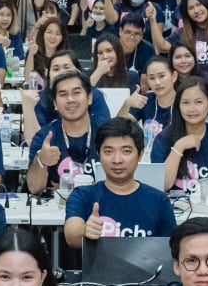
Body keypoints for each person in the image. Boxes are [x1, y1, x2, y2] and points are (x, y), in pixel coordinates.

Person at [63, 118, 177, 248]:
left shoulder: (159, 200)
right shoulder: (83, 195)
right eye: (108, 151)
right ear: (98, 154)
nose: (117, 160)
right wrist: (84, 230)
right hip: (100, 269)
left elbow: (171, 249)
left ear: (140, 154)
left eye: (126, 151)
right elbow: (71, 236)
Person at [152, 76, 208, 191]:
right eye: (186, 103)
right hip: (176, 207)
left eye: (199, 102)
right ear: (178, 106)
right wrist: (179, 146)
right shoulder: (163, 138)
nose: (192, 109)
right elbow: (162, 185)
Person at [27, 70, 100, 195]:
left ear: (89, 98)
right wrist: (41, 160)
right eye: (63, 94)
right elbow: (34, 188)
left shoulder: (106, 133)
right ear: (55, 104)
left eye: (76, 92)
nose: (70, 99)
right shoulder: (45, 137)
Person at [122, 56, 177, 145]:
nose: (157, 82)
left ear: (174, 76)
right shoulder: (146, 99)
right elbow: (120, 124)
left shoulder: (184, 100)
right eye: (152, 78)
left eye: (162, 76)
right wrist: (127, 104)